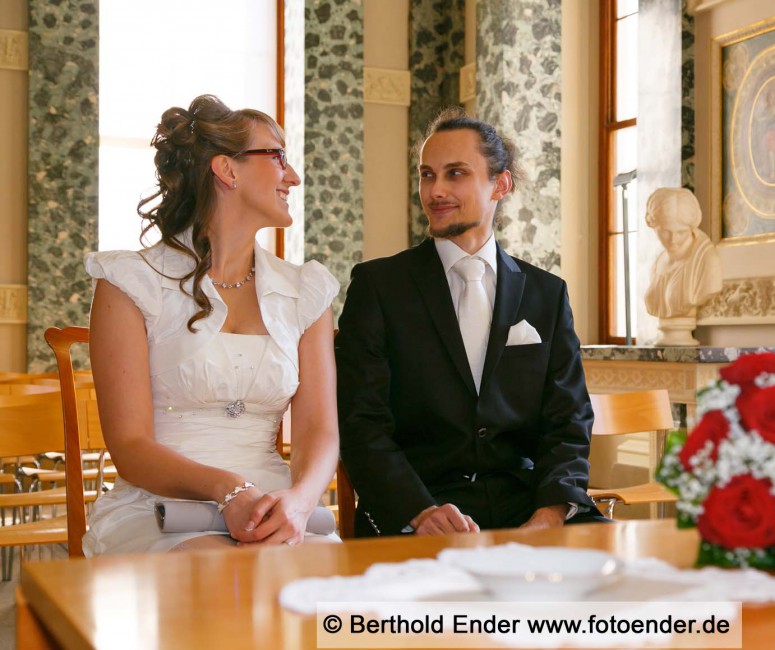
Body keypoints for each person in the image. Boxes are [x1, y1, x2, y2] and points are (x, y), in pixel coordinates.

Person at [84, 95, 340, 555]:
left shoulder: (306, 291)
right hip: (163, 507)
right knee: (218, 575)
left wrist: (300, 502)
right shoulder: (130, 282)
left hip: (276, 507)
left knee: (324, 586)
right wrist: (227, 489)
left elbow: (318, 430)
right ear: (228, 170)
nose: (294, 176)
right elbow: (129, 444)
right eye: (278, 156)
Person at [336, 109, 599, 537]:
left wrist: (549, 515)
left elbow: (568, 421)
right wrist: (419, 512)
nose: (435, 190)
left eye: (455, 173)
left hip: (529, 508)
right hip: (417, 511)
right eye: (426, 175)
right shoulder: (378, 287)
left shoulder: (546, 294)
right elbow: (359, 422)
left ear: (501, 183)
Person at [643, 187, 722, 321]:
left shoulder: (707, 261)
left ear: (691, 228)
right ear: (653, 226)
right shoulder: (659, 262)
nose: (673, 240)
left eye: (681, 232)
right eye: (665, 232)